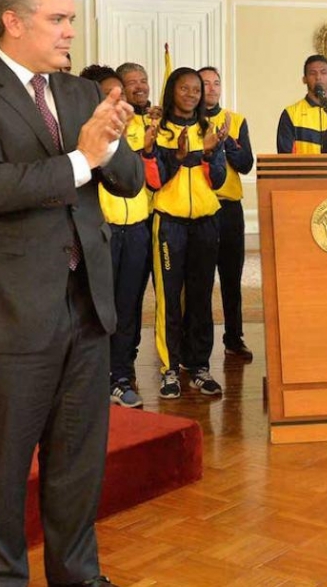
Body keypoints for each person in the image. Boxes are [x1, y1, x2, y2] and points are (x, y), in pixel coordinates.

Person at [0, 0, 144, 584]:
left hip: (84, 307)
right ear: (13, 21)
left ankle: (78, 576)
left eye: (71, 19)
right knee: (2, 474)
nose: (70, 31)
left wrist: (113, 138)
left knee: (77, 466)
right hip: (6, 309)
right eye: (57, 19)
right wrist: (82, 157)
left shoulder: (80, 93)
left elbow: (126, 181)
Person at [143, 67, 228, 399]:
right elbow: (155, 180)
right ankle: (169, 368)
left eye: (197, 90)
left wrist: (207, 153)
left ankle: (199, 366)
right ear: (171, 91)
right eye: (185, 89)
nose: (193, 94)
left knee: (201, 296)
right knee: (168, 298)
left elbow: (217, 179)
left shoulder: (209, 130)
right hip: (170, 224)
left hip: (206, 223)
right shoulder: (159, 131)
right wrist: (178, 156)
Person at [82, 63, 152, 408]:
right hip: (103, 233)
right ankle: (97, 377)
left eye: (120, 94)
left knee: (129, 306)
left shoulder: (140, 126)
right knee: (100, 310)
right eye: (110, 95)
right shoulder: (84, 135)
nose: (119, 100)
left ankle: (121, 375)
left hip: (137, 229)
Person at [200, 66, 256, 362]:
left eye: (216, 83)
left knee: (232, 278)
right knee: (201, 280)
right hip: (200, 209)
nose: (211, 88)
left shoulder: (236, 120)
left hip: (230, 208)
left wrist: (227, 142)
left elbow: (246, 164)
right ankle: (198, 342)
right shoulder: (188, 120)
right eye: (205, 83)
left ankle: (234, 338)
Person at [276, 54, 327, 154]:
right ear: (304, 79)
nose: (318, 77)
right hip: (302, 169)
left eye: (323, 72)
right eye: (312, 73)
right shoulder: (291, 114)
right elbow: (285, 156)